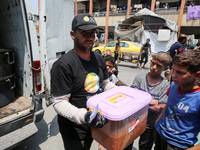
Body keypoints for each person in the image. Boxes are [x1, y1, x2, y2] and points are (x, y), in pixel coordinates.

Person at [51, 13, 116, 150]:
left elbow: (105, 84)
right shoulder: (63, 65)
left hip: (97, 122)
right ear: (73, 34)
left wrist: (120, 93)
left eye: (92, 33)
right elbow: (59, 102)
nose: (89, 37)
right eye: (84, 33)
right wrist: (85, 116)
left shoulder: (98, 58)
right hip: (74, 128)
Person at [154, 50, 200, 150]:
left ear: (197, 75)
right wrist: (158, 121)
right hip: (160, 134)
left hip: (178, 144)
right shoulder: (174, 85)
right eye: (173, 70)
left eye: (180, 72)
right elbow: (169, 104)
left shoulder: (198, 99)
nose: (173, 75)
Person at [131, 52, 172, 150]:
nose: (154, 67)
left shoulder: (165, 85)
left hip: (149, 125)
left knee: (145, 146)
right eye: (153, 63)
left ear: (165, 68)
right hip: (133, 121)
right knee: (126, 144)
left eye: (159, 66)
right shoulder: (139, 78)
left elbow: (161, 108)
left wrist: (140, 100)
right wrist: (153, 101)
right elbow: (132, 97)